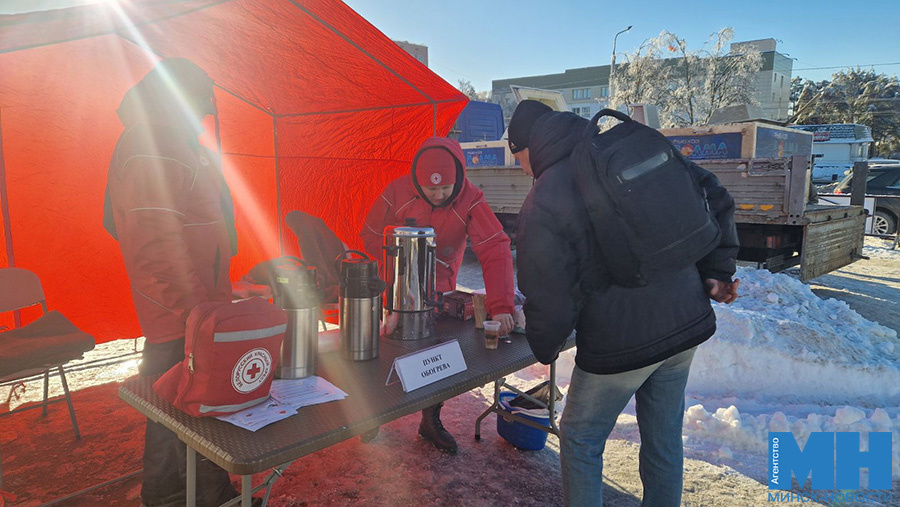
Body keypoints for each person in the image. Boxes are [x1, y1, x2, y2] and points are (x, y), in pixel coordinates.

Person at [509, 100, 740, 506]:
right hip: (686, 322)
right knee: (664, 438)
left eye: (518, 159)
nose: (522, 170)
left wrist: (544, 345)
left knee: (580, 438)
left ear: (528, 146)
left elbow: (548, 290)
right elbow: (713, 194)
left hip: (620, 342)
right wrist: (716, 271)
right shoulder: (626, 148)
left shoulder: (546, 194)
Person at [103, 58, 242, 507]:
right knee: (196, 410)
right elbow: (155, 248)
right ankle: (211, 498)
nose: (202, 115)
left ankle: (165, 496)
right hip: (181, 311)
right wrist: (196, 312)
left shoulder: (172, 140)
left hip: (188, 306)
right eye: (198, 105)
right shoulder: (154, 145)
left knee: (166, 410)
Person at [361, 136, 516, 453]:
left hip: (441, 284)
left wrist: (501, 306)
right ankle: (370, 413)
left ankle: (430, 418)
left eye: (445, 189)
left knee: (435, 352)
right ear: (417, 180)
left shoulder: (470, 199)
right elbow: (371, 233)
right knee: (384, 347)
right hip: (396, 285)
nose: (438, 195)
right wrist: (398, 266)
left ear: (458, 178)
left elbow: (494, 248)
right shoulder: (397, 191)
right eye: (430, 190)